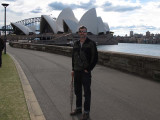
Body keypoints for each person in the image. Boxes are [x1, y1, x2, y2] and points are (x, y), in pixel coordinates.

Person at [71, 26, 98, 120]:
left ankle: (86, 112)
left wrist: (88, 69)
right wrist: (73, 69)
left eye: (84, 32)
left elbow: (95, 58)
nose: (82, 33)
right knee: (77, 91)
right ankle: (78, 109)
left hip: (85, 72)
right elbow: (73, 57)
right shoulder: (76, 44)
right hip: (77, 71)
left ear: (86, 33)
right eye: (81, 32)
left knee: (86, 93)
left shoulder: (91, 43)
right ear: (78, 33)